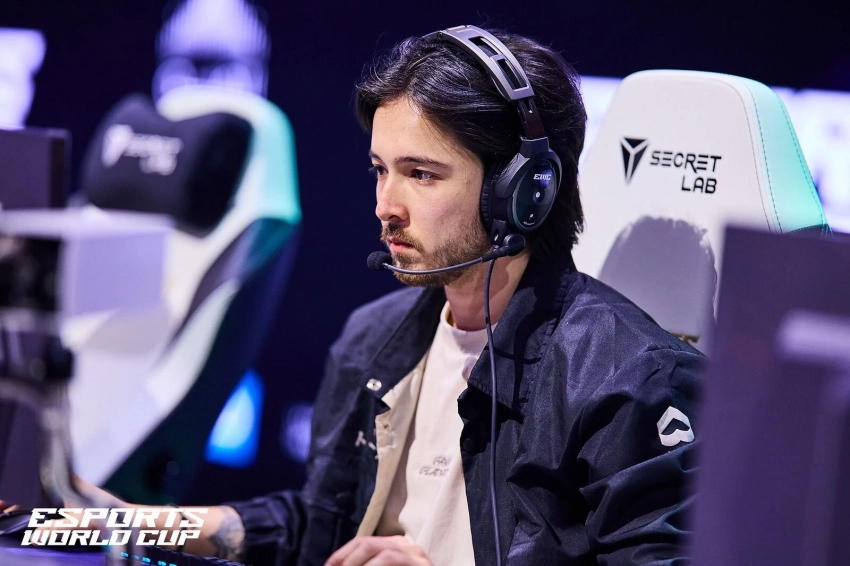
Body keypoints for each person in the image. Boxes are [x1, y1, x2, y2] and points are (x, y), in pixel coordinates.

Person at [3, 25, 702, 566]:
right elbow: (319, 527)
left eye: (422, 175)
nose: (385, 206)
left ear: (523, 193)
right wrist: (126, 522)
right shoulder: (375, 338)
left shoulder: (630, 379)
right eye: (380, 170)